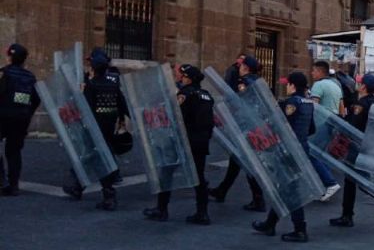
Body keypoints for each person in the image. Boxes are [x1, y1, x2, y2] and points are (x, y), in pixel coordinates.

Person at [143, 64, 215, 224]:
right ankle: (202, 213)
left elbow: (175, 116)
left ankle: (161, 209)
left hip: (184, 141)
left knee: (167, 172)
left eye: (182, 75)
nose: (179, 77)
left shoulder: (184, 94)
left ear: (188, 78)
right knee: (199, 177)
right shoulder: (207, 95)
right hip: (201, 142)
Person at [251, 71, 316, 242]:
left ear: (293, 85)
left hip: (289, 152)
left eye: (287, 84)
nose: (286, 86)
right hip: (302, 149)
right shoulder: (308, 103)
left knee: (291, 190)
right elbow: (311, 129)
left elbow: (279, 126)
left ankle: (300, 229)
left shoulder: (291, 103)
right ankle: (270, 224)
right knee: (285, 188)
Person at [329, 73, 374, 227]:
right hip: (369, 146)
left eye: (360, 83)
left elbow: (353, 126)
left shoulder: (361, 104)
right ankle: (349, 214)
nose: (358, 85)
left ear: (364, 87)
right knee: (354, 180)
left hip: (357, 146)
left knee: (358, 180)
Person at [62, 50, 127, 210]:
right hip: (108, 124)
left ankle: (108, 195)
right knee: (92, 155)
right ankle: (78, 186)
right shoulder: (112, 83)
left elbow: (87, 108)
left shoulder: (92, 85)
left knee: (96, 157)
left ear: (94, 68)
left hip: (94, 126)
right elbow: (121, 102)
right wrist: (123, 119)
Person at [210, 55, 258, 204]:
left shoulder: (243, 82)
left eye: (241, 65)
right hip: (252, 126)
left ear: (245, 68)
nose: (239, 68)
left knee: (246, 162)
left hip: (244, 126)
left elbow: (239, 104)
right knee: (236, 160)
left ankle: (258, 199)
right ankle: (222, 191)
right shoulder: (257, 81)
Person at [0, 44, 41, 196]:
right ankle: (14, 185)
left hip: (3, 116)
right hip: (21, 118)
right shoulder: (30, 77)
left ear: (9, 56)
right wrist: (27, 113)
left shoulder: (5, 73)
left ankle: (1, 181)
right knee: (14, 151)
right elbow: (35, 99)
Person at [309, 60, 343, 202]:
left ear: (319, 71)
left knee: (313, 154)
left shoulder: (318, 85)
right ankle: (325, 187)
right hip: (333, 123)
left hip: (320, 124)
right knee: (324, 155)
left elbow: (313, 106)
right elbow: (341, 106)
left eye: (313, 71)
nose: (312, 73)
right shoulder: (336, 85)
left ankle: (330, 183)